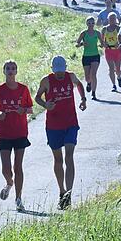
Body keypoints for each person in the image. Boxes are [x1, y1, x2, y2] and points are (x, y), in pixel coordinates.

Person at [34, 56, 87, 210]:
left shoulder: (70, 76)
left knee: (69, 156)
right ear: (52, 70)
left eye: (61, 71)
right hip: (53, 125)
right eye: (57, 72)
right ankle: (61, 191)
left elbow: (79, 84)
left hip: (70, 123)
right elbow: (37, 97)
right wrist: (45, 104)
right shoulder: (46, 81)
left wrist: (83, 99)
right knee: (58, 159)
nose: (60, 75)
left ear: (65, 68)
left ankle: (68, 194)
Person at [0, 60, 33, 211]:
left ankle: (18, 198)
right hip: (4, 132)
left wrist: (24, 110)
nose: (11, 71)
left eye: (13, 68)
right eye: (8, 68)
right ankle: (9, 183)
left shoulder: (23, 89)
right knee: (6, 169)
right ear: (4, 71)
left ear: (16, 71)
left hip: (20, 131)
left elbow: (30, 109)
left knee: (18, 166)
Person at [75, 16, 105, 100]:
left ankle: (93, 93)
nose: (91, 25)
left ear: (94, 24)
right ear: (86, 24)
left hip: (95, 55)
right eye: (89, 23)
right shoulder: (84, 33)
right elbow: (76, 44)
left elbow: (102, 43)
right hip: (86, 56)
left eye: (92, 23)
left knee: (93, 74)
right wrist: (82, 44)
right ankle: (89, 83)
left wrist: (102, 45)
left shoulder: (97, 33)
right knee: (87, 76)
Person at [102, 12, 121, 92]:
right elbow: (102, 40)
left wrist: (120, 44)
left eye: (113, 19)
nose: (112, 20)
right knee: (111, 68)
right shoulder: (104, 29)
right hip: (109, 51)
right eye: (110, 19)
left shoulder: (118, 28)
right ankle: (114, 85)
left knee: (117, 69)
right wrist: (105, 44)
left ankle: (118, 77)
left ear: (116, 20)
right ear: (108, 19)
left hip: (117, 51)